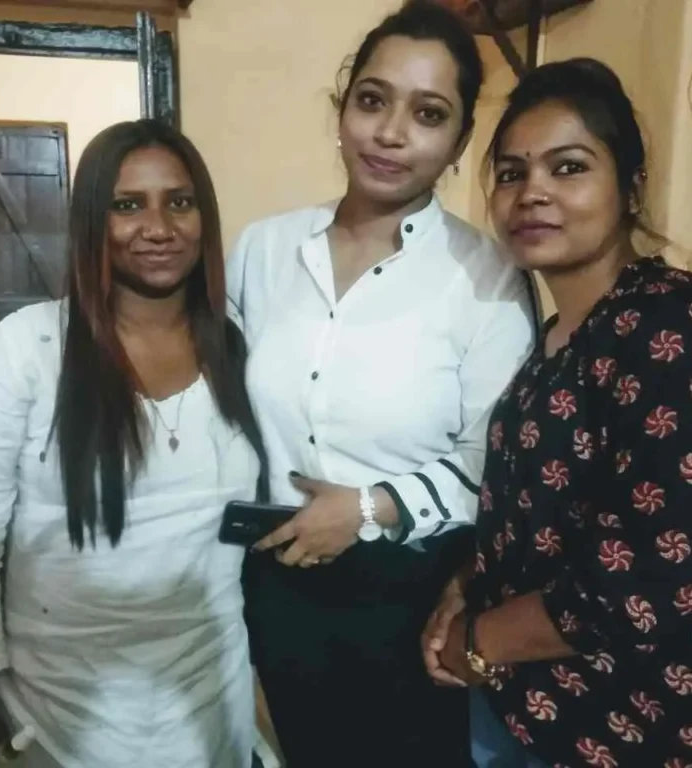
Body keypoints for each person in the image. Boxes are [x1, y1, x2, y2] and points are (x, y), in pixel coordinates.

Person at [421, 58, 692, 767]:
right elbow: (530, 511)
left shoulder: (673, 325)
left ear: (631, 187)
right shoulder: (553, 338)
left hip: (629, 727)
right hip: (520, 704)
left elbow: (654, 575)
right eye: (511, 173)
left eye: (568, 167)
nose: (532, 192)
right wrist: (464, 589)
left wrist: (476, 640)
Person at [227, 2, 536, 765]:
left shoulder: (487, 277)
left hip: (414, 600)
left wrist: (369, 508)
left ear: (459, 140)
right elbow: (219, 413)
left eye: (428, 114)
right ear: (342, 109)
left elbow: (495, 463)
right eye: (373, 100)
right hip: (275, 585)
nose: (391, 133)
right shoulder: (264, 251)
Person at [0, 119, 268, 768]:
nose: (159, 227)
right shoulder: (30, 347)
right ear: (92, 221)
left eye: (180, 201)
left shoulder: (238, 342)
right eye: (127, 205)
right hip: (59, 725)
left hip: (209, 712)